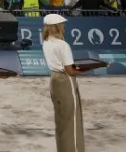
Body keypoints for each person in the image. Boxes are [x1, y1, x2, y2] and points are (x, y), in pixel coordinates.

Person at [42, 13, 87, 152]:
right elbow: (70, 70)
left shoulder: (46, 42)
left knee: (60, 120)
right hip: (65, 80)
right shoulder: (63, 45)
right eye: (62, 24)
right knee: (71, 121)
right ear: (56, 26)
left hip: (54, 80)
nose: (64, 26)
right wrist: (89, 68)